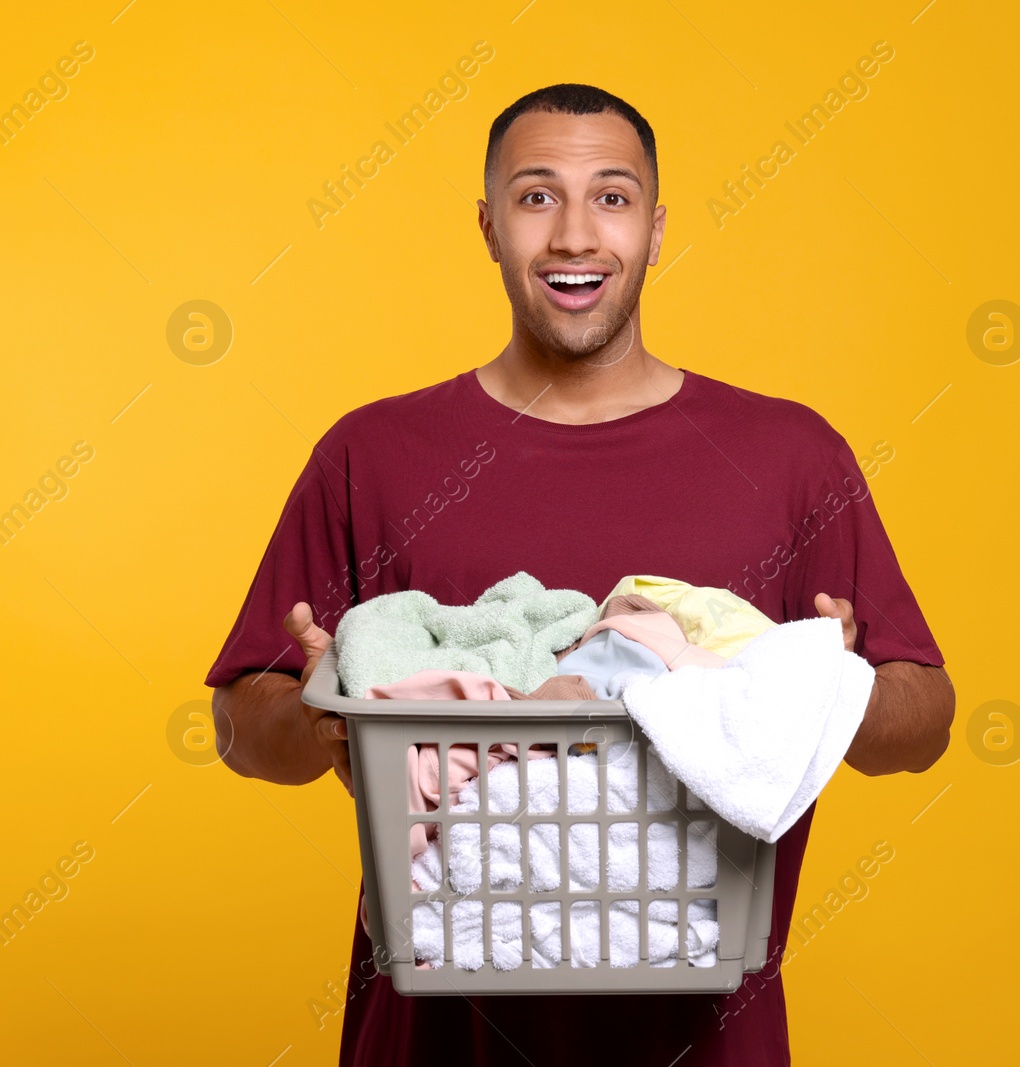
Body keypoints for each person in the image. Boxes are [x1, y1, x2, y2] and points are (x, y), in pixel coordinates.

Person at [205, 82, 954, 1066]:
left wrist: (822, 687)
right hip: (435, 1035)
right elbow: (240, 730)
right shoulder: (375, 453)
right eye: (534, 196)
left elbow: (924, 720)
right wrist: (321, 707)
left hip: (705, 1037)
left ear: (654, 226)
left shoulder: (788, 455)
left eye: (610, 196)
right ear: (487, 226)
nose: (573, 236)